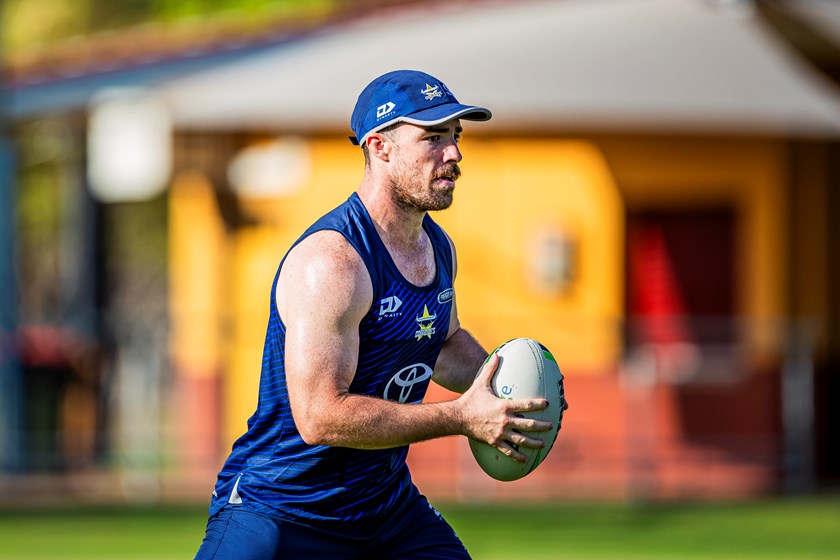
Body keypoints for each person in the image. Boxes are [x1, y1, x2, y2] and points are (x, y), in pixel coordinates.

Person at [195, 69, 565, 559]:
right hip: (281, 510)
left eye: (455, 136)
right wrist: (461, 417)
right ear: (379, 147)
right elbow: (320, 417)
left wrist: (512, 393)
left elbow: (441, 343)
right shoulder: (333, 262)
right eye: (433, 138)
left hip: (385, 511)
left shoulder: (437, 247)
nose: (454, 153)